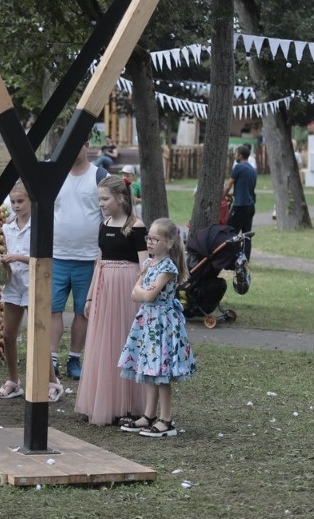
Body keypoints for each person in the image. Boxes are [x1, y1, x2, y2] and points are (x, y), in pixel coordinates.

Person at [75, 176, 148, 426]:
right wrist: (90, 295)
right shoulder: (103, 224)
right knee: (102, 342)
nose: (101, 204)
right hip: (105, 287)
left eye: (104, 199)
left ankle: (128, 404)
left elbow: (144, 264)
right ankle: (102, 401)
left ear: (120, 198)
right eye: (99, 199)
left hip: (126, 289)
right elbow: (99, 261)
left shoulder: (136, 226)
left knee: (123, 340)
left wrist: (142, 293)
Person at [118, 217, 197, 438]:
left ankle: (166, 419)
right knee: (149, 369)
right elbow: (136, 294)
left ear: (170, 243)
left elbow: (149, 294)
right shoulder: (147, 264)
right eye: (148, 238)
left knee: (161, 372)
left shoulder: (168, 266)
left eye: (155, 239)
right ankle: (148, 414)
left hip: (163, 324)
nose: (150, 242)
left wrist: (144, 292)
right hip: (148, 322)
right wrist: (144, 292)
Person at [0, 181, 66, 402]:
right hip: (13, 285)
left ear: (31, 201)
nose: (16, 206)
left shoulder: (42, 226)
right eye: (13, 201)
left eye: (20, 201)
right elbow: (2, 252)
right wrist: (1, 262)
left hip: (35, 285)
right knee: (8, 335)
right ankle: (14, 381)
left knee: (39, 335)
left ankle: (53, 382)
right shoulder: (6, 228)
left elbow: (45, 257)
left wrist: (18, 257)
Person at [52, 142, 109, 380]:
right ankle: (51, 359)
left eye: (76, 143)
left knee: (82, 311)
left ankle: (74, 358)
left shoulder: (99, 176)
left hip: (87, 259)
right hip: (56, 256)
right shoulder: (54, 175)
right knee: (52, 309)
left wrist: (102, 255)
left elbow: (109, 217)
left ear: (86, 145)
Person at [223, 144, 257, 262]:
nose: (234, 156)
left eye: (236, 154)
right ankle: (245, 259)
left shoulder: (238, 168)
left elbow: (228, 185)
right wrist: (230, 194)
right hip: (250, 206)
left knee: (229, 231)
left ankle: (227, 258)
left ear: (240, 155)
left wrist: (222, 196)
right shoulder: (252, 170)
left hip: (240, 206)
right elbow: (244, 189)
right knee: (247, 234)